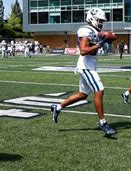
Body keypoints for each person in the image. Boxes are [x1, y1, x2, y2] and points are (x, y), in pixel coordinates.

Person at [50, 8, 116, 136]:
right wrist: (101, 43)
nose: (101, 23)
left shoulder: (94, 31)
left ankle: (57, 107)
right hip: (86, 66)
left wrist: (107, 37)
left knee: (83, 94)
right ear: (92, 18)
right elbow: (83, 50)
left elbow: (103, 37)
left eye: (102, 21)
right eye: (99, 20)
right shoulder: (86, 30)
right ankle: (103, 123)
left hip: (89, 66)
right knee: (99, 90)